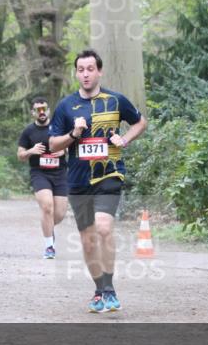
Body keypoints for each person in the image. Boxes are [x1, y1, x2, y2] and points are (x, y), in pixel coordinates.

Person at [50, 49, 147, 314]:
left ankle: (110, 290)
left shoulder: (115, 100)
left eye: (90, 69)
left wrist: (124, 140)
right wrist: (74, 133)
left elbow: (140, 122)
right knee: (88, 240)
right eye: (81, 70)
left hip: (109, 173)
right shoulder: (66, 106)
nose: (85, 74)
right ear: (76, 73)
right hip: (78, 180)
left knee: (104, 228)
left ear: (99, 72)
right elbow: (53, 144)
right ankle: (98, 290)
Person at [17, 96, 68, 259]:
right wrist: (31, 151)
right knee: (47, 207)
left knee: (59, 214)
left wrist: (65, 150)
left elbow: (73, 145)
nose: (41, 112)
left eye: (44, 109)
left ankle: (48, 228)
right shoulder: (28, 131)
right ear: (33, 112)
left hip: (60, 174)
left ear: (48, 110)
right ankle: (49, 247)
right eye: (38, 110)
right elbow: (20, 155)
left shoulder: (59, 127)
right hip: (39, 173)